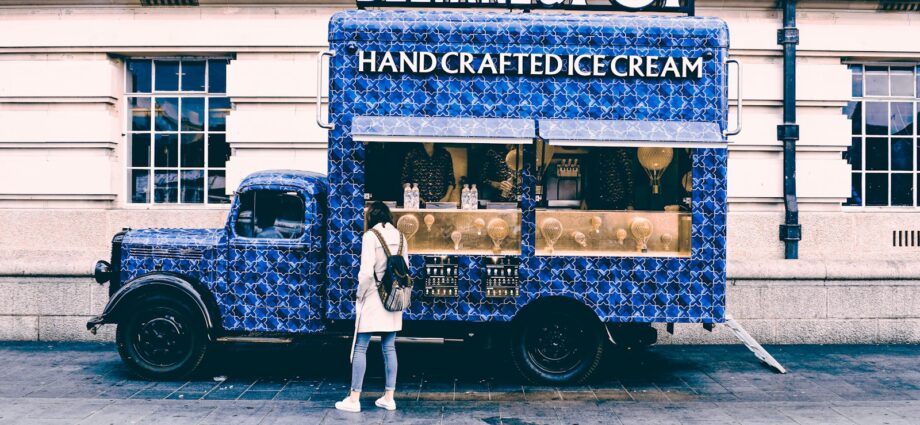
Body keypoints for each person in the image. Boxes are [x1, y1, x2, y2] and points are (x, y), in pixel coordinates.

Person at [335, 201, 408, 413]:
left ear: (370, 218)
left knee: (360, 347)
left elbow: (366, 273)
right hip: (394, 299)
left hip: (373, 296)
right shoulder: (402, 236)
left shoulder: (370, 237)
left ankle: (354, 398)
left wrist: (359, 295)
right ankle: (389, 397)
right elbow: (406, 269)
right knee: (389, 347)